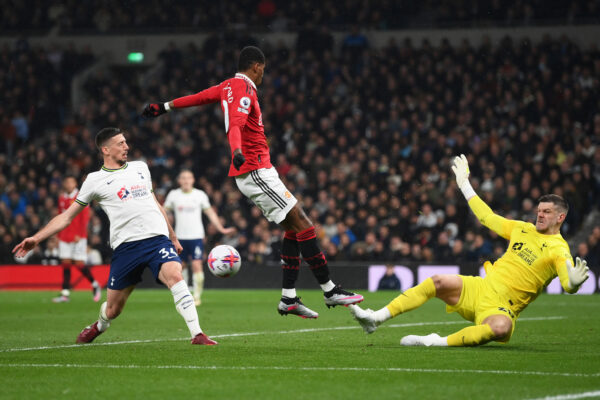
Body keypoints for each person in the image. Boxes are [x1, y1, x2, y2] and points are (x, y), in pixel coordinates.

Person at [142, 46, 363, 319]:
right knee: (305, 224)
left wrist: (164, 107)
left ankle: (289, 299)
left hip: (254, 171)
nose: (263, 76)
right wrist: (236, 151)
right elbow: (235, 125)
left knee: (294, 230)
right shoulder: (245, 91)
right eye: (263, 71)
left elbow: (199, 98)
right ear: (257, 66)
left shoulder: (227, 86)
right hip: (255, 169)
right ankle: (330, 290)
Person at [349, 154, 590, 347]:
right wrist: (464, 185)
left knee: (501, 329)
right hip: (481, 288)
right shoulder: (522, 228)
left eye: (546, 212)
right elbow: (486, 217)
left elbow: (567, 283)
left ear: (561, 217)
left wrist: (574, 284)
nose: (540, 214)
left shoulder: (559, 250)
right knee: (437, 281)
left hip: (502, 307)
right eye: (539, 210)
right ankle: (374, 318)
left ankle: (434, 341)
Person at [14, 128, 217, 345]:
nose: (126, 147)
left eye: (126, 142)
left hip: (157, 240)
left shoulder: (141, 168)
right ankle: (99, 325)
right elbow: (66, 217)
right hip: (126, 248)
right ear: (105, 149)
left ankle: (197, 334)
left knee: (175, 275)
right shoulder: (94, 180)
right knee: (112, 310)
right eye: (120, 143)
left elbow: (155, 203)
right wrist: (37, 238)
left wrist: (173, 237)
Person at [164, 169, 235, 305]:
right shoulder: (174, 195)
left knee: (197, 265)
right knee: (181, 267)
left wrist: (221, 228)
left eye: (188, 178)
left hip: (196, 236)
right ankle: (185, 295)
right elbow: (163, 211)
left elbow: (210, 213)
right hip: (179, 237)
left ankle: (196, 297)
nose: (185, 181)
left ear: (193, 180)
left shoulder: (199, 195)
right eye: (183, 178)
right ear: (179, 181)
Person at [53, 175, 102, 303]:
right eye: (67, 182)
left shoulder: (81, 196)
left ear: (75, 184)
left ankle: (95, 284)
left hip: (77, 236)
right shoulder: (62, 198)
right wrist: (58, 235)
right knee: (66, 263)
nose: (69, 184)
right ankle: (65, 293)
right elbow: (60, 216)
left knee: (79, 264)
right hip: (64, 235)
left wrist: (80, 234)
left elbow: (85, 217)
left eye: (71, 182)